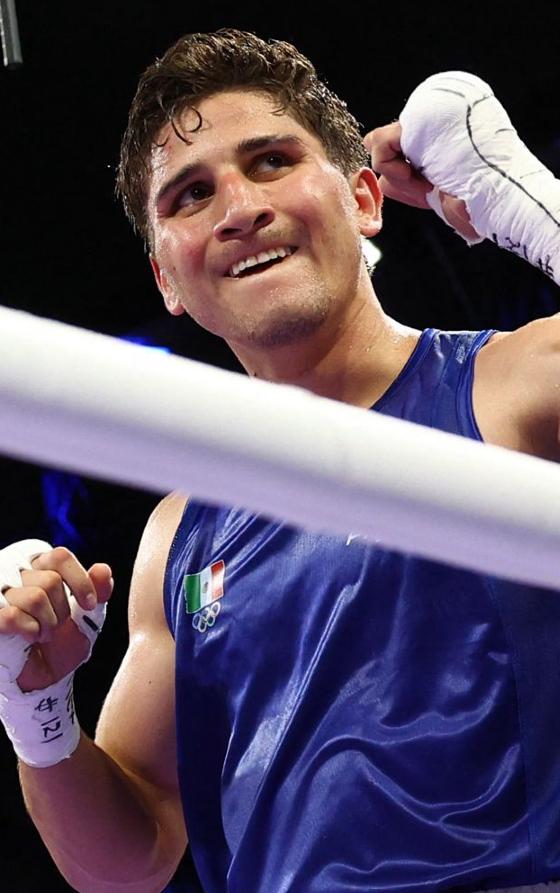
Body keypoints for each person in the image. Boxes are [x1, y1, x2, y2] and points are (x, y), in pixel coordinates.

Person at [1, 28, 560, 893]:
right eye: (191, 194)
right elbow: (124, 865)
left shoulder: (514, 386)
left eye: (271, 161)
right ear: (167, 280)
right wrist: (36, 712)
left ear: (364, 197)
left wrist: (521, 199)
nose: (238, 208)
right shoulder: (178, 534)